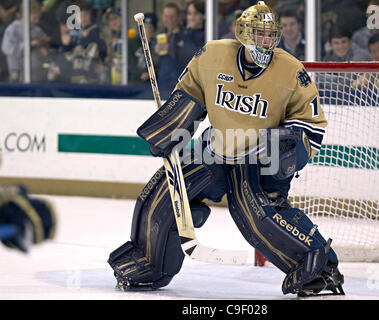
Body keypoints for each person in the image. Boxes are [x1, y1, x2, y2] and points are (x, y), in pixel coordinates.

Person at [108, 1, 344, 297]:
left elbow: (312, 125)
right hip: (216, 148)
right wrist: (171, 126)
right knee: (164, 194)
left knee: (258, 217)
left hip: (257, 160)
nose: (266, 42)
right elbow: (188, 93)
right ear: (243, 33)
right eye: (259, 34)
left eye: (271, 35)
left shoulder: (291, 71)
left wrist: (286, 150)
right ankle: (149, 262)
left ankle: (320, 270)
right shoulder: (213, 55)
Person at [1, 0, 50, 82]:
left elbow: (45, 48)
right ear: (25, 14)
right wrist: (28, 45)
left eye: (38, 18)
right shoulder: (13, 29)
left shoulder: (37, 30)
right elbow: (7, 48)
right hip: (18, 76)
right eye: (35, 18)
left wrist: (44, 47)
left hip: (37, 77)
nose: (37, 21)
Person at [155, 2, 184, 91]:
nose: (169, 19)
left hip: (180, 86)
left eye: (172, 16)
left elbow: (189, 57)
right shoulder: (160, 36)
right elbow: (154, 65)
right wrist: (155, 53)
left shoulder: (186, 35)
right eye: (166, 16)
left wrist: (171, 49)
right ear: (163, 18)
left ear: (179, 18)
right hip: (162, 84)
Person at [175, 0, 205, 75]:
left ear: (204, 15)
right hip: (180, 81)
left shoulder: (208, 35)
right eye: (189, 14)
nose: (192, 17)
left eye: (196, 13)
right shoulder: (181, 34)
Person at [128, 12, 159, 85]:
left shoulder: (156, 45)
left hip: (150, 86)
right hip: (132, 84)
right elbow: (128, 65)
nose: (146, 30)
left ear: (154, 30)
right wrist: (139, 74)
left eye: (150, 27)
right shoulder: (132, 43)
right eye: (144, 26)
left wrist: (150, 74)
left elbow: (160, 68)